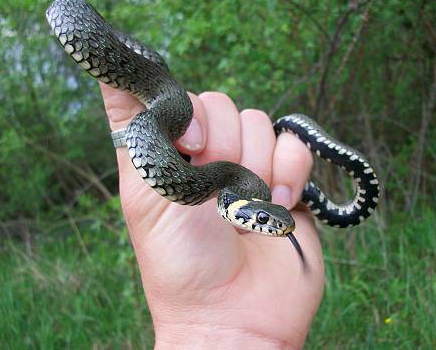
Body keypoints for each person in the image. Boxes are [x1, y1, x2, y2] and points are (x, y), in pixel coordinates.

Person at [100, 83, 325, 349]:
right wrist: (205, 329)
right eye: (263, 221)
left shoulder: (240, 189)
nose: (271, 228)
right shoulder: (218, 185)